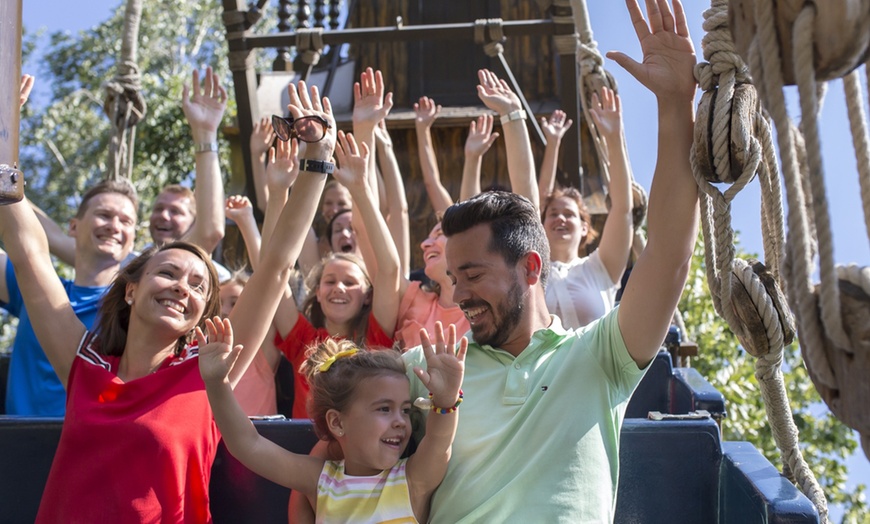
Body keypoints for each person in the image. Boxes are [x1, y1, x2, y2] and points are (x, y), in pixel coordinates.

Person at [401, 0, 700, 520]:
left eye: (472, 274)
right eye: (453, 277)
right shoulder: (423, 370)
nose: (460, 291)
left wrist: (676, 104)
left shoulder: (601, 355)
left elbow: (670, 254)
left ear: (531, 268)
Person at [0, 79, 336, 521]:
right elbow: (29, 255)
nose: (183, 287)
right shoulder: (84, 365)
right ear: (132, 289)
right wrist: (5, 139)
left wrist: (317, 160)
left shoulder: (208, 373)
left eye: (199, 286)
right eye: (169, 273)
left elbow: (275, 265)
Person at [200, 316, 466, 523]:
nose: (400, 421)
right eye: (384, 409)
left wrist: (445, 400)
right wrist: (216, 382)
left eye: (406, 410)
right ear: (337, 423)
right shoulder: (321, 481)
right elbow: (248, 444)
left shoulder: (412, 479)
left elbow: (439, 441)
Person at [35, 66, 230, 279]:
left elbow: (210, 231)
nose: (164, 216)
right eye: (159, 208)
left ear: (194, 221)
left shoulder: (211, 274)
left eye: (176, 211)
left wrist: (205, 134)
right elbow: (48, 235)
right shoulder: (123, 264)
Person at [270, 131, 400, 419]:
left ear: (368, 296)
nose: (338, 287)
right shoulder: (303, 340)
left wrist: (360, 189)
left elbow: (390, 270)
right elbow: (273, 273)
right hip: (307, 457)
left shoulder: (375, 339)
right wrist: (278, 193)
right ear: (317, 292)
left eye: (350, 282)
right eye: (329, 281)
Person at [1, 179, 138, 415]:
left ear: (133, 239)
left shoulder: (136, 307)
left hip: (91, 445)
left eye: (125, 221)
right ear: (73, 227)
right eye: (104, 215)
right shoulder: (32, 287)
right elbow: (24, 244)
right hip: (18, 442)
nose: (114, 226)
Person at [539, 87, 634, 328]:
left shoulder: (600, 268)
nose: (560, 218)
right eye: (553, 214)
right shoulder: (530, 273)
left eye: (569, 214)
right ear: (542, 225)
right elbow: (534, 204)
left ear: (584, 228)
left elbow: (622, 208)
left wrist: (614, 138)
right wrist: (553, 145)